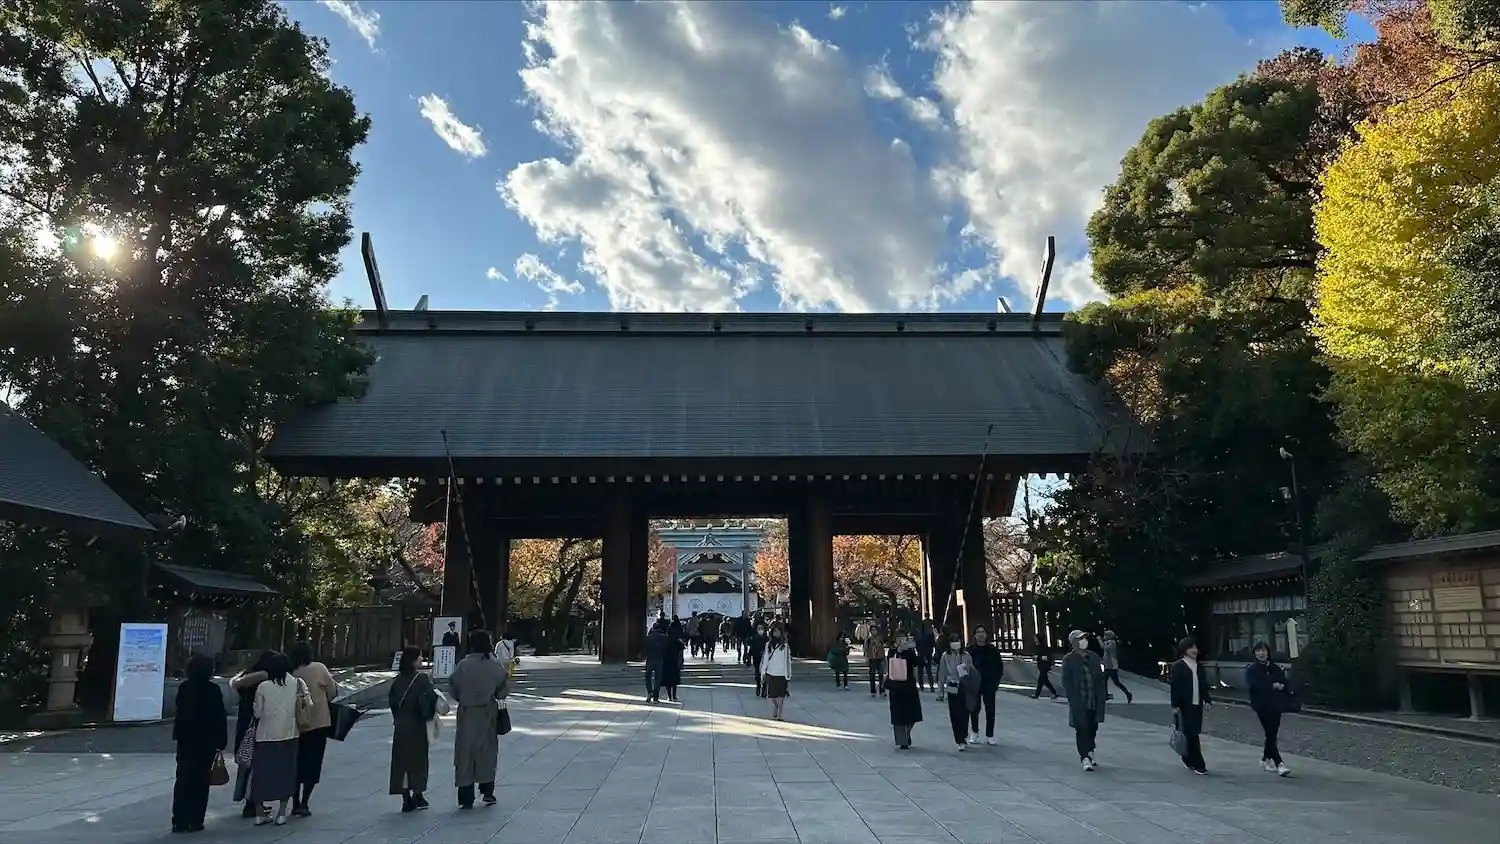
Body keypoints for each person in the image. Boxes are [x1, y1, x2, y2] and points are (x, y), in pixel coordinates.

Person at [451, 630, 509, 808]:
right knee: (487, 752)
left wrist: (464, 698)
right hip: (487, 713)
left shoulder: (463, 665)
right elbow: (502, 692)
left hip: (467, 712)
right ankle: (487, 791)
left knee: (465, 753)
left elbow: (453, 689)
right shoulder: (495, 665)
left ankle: (465, 796)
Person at [250, 652, 309, 826]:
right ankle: (282, 813)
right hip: (289, 735)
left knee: (261, 774)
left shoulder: (263, 686)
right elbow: (305, 703)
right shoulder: (296, 683)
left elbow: (258, 713)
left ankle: (260, 814)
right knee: (286, 774)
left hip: (265, 736)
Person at [171, 654, 228, 833]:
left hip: (186, 739)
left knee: (183, 779)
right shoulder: (213, 689)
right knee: (201, 781)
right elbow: (220, 716)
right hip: (206, 740)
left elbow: (179, 710)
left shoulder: (184, 687)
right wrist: (221, 741)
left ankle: (179, 820)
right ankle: (196, 820)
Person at [289, 641, 339, 817]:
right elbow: (332, 692)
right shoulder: (318, 668)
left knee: (296, 763)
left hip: (295, 725)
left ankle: (294, 802)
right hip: (318, 723)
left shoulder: (290, 672)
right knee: (313, 763)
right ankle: (304, 802)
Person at [389, 646, 436, 812]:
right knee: (418, 760)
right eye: (419, 657)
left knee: (401, 762)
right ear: (413, 660)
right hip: (417, 724)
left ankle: (405, 798)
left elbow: (392, 703)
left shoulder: (398, 680)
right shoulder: (421, 678)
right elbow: (432, 697)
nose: (422, 659)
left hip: (401, 725)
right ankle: (418, 793)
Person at [229, 651, 275, 818]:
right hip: (258, 725)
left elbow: (233, 683)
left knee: (247, 766)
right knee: (258, 766)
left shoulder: (246, 679)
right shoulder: (266, 679)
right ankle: (253, 804)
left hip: (244, 724)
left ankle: (251, 802)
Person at [1060, 630, 1106, 771]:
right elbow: (1067, 681)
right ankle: (1085, 757)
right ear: (1074, 642)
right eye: (1080, 639)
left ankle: (1090, 750)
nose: (1083, 641)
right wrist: (1073, 699)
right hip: (1079, 700)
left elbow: (1100, 679)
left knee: (1093, 728)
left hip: (1094, 699)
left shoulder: (1093, 657)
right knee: (1081, 728)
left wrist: (1103, 695)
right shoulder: (1069, 659)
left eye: (1084, 638)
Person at [1246, 641, 1292, 776]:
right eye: (1258, 651)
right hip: (1261, 705)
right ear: (1255, 653)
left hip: (1276, 704)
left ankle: (1265, 759)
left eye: (1264, 650)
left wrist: (1282, 686)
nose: (1261, 653)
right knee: (1270, 733)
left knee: (1272, 734)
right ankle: (1279, 763)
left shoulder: (1275, 668)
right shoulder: (1252, 669)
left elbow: (1284, 682)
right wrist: (1271, 685)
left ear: (1268, 652)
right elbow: (1254, 685)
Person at [1170, 636, 1212, 775]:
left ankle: (1187, 758)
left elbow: (1203, 685)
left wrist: (1207, 700)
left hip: (1197, 704)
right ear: (1184, 649)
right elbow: (1175, 687)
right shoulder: (1178, 666)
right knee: (1191, 734)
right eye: (1190, 648)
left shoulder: (1199, 666)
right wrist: (1175, 705)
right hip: (1184, 706)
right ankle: (1199, 764)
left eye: (1195, 647)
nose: (1194, 650)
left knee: (1192, 733)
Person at [936, 633, 977, 751]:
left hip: (964, 686)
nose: (956, 643)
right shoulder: (945, 656)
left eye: (957, 640)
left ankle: (964, 734)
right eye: (953, 641)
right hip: (952, 686)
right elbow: (942, 673)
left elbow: (972, 670)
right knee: (954, 714)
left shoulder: (966, 655)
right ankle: (959, 739)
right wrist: (940, 691)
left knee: (964, 713)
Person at [885, 634, 923, 749]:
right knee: (898, 716)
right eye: (900, 638)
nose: (902, 640)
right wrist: (898, 652)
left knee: (912, 713)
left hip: (909, 685)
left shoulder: (910, 651)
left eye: (904, 638)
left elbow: (916, 662)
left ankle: (907, 733)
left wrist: (913, 649)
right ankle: (903, 740)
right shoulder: (892, 651)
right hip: (896, 686)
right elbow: (890, 664)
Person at [968, 626, 1004, 746]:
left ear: (986, 634)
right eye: (978, 632)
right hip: (975, 684)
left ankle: (990, 735)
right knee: (974, 709)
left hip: (989, 684)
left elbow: (999, 667)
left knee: (990, 710)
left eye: (983, 632)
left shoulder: (992, 650)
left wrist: (996, 682)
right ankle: (974, 732)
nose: (981, 634)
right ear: (974, 635)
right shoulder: (970, 650)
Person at [760, 624, 792, 720]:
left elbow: (787, 660)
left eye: (778, 631)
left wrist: (788, 673)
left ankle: (780, 714)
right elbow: (765, 658)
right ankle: (776, 707)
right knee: (772, 695)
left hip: (782, 673)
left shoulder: (785, 646)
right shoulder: (768, 645)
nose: (776, 633)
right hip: (771, 672)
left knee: (781, 695)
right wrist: (763, 671)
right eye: (774, 631)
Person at [1100, 629, 1133, 704]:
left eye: (1105, 635)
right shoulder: (1108, 642)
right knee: (1105, 680)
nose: (1104, 636)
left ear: (1109, 636)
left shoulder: (1112, 643)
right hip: (1108, 665)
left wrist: (1099, 640)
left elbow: (1105, 648)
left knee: (1115, 682)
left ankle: (1127, 694)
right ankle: (1106, 695)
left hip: (1112, 666)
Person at [645, 621, 667, 703]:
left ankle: (649, 692)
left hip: (650, 659)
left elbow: (645, 648)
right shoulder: (664, 637)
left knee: (648, 677)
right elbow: (666, 648)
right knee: (658, 678)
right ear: (660, 629)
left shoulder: (648, 637)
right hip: (659, 659)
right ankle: (655, 696)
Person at [863, 625, 888, 698]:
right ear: (870, 631)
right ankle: (873, 691)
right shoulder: (868, 639)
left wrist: (884, 658)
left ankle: (882, 691)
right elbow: (865, 649)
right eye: (873, 630)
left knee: (881, 676)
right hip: (872, 659)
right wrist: (866, 658)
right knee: (872, 676)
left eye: (875, 630)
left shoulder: (879, 639)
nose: (874, 631)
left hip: (880, 658)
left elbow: (882, 648)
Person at [747, 622, 768, 697]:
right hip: (757, 658)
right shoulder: (754, 639)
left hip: (765, 659)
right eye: (759, 629)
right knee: (757, 674)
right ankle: (758, 685)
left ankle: (764, 689)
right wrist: (748, 658)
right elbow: (751, 649)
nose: (760, 630)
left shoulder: (767, 639)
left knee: (765, 674)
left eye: (762, 628)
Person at [915, 620, 937, 691]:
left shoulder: (918, 637)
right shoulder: (930, 636)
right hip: (928, 654)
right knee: (929, 671)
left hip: (920, 655)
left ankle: (921, 685)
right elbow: (933, 645)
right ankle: (931, 685)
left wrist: (919, 652)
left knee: (920, 671)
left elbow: (916, 646)